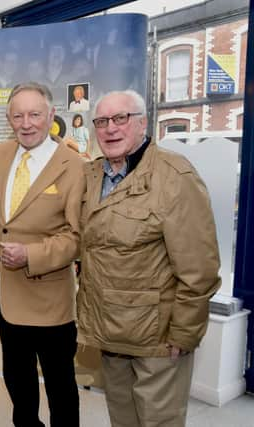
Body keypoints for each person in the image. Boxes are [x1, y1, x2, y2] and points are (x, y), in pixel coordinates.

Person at [77, 90, 221, 427]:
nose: (110, 128)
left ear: (143, 122)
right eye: (102, 121)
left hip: (157, 340)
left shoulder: (174, 176)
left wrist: (183, 334)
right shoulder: (91, 176)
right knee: (123, 420)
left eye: (120, 118)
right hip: (109, 332)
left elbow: (199, 268)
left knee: (159, 422)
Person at [0, 82, 84, 427]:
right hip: (7, 297)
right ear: (9, 119)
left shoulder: (73, 165)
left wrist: (32, 254)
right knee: (18, 383)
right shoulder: (1, 155)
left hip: (50, 301)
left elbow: (78, 237)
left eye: (34, 114)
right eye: (18, 116)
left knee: (61, 387)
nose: (26, 123)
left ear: (51, 116)